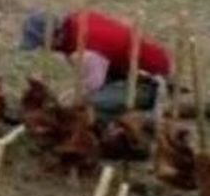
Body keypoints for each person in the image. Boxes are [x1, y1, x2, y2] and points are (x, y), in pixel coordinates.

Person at [21, 10, 172, 117]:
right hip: (125, 68)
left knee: (91, 105)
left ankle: (147, 115)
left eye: (42, 44)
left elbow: (92, 86)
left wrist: (67, 101)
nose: (44, 49)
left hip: (149, 81)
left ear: (54, 37)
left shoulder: (86, 52)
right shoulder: (77, 19)